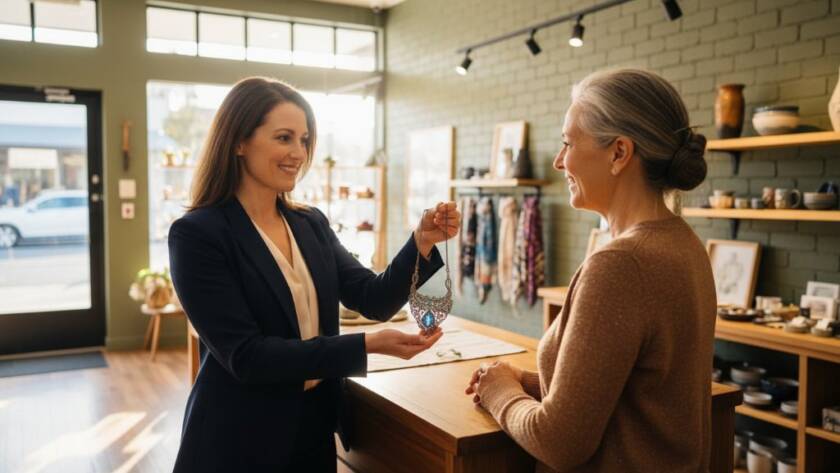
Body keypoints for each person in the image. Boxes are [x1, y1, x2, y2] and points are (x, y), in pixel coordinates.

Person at [169, 76, 460, 472]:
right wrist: (366, 346)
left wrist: (421, 241)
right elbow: (248, 357)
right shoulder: (198, 235)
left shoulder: (310, 223)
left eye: (304, 140)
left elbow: (371, 297)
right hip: (237, 439)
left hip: (313, 429)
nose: (299, 153)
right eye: (284, 138)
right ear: (238, 141)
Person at [466, 69, 715, 472]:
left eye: (567, 142)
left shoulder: (620, 265)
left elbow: (559, 443)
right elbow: (633, 394)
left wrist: (499, 394)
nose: (559, 161)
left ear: (619, 153)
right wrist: (522, 380)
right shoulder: (684, 244)